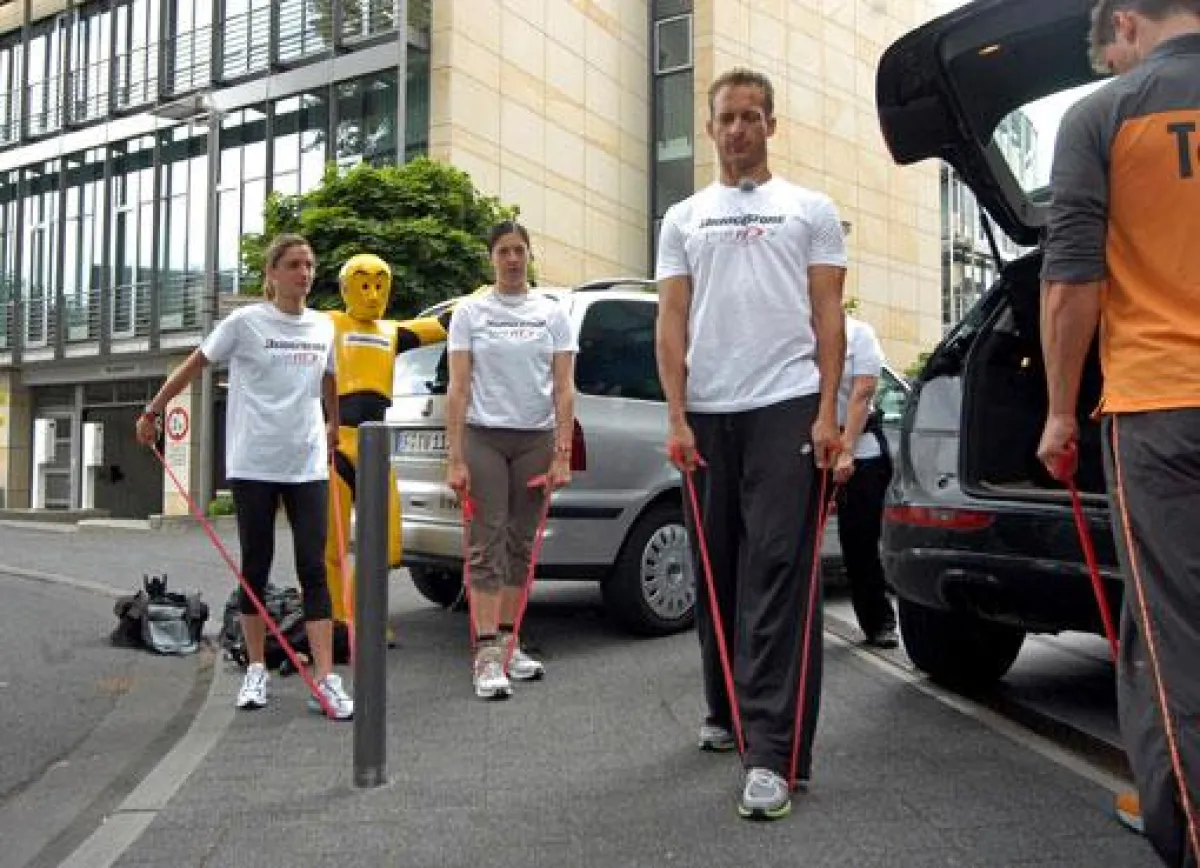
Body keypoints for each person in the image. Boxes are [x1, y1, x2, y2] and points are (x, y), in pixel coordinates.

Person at [655, 67, 847, 820]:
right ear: (709, 128)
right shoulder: (683, 218)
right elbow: (671, 320)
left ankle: (773, 756)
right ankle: (729, 707)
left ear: (771, 124)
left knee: (777, 574)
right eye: (726, 117)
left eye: (751, 116)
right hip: (707, 413)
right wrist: (676, 416)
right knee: (720, 573)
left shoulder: (809, 209)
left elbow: (828, 316)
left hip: (785, 406)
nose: (738, 128)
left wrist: (827, 412)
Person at [1036, 1, 1200, 864]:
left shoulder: (1102, 115)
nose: (1111, 71)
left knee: (1174, 645)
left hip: (1162, 407)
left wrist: (1061, 410)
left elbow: (1071, 281)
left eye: (1109, 56)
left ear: (1126, 23)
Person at [135, 234, 353, 720]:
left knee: (314, 568)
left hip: (306, 464)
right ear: (272, 273)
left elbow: (329, 377)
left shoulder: (323, 326)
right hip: (254, 463)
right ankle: (256, 668)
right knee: (256, 564)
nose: (304, 273)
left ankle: (326, 676)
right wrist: (153, 411)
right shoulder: (245, 323)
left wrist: (333, 423)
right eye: (294, 265)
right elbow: (194, 365)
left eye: (309, 265)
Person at [444, 220, 576, 700]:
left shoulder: (552, 313)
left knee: (521, 544)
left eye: (520, 250)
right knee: (487, 541)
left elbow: (564, 389)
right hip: (484, 437)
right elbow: (458, 389)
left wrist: (562, 454)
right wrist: (455, 457)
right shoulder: (471, 312)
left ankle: (508, 642)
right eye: (504, 251)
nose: (513, 259)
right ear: (492, 258)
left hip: (535, 440)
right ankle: (485, 653)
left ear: (529, 255)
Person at [324, 253, 449, 635]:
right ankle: (335, 622)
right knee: (331, 545)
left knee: (388, 543)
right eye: (364, 284)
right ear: (346, 288)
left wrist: (487, 297)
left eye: (380, 285)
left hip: (376, 449)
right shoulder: (328, 324)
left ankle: (365, 617)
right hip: (338, 445)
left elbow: (444, 324)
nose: (372, 294)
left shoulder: (392, 332)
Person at [832, 314, 898, 650]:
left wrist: (846, 451)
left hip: (860, 450)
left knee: (860, 544)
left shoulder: (859, 334)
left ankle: (879, 622)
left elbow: (864, 391)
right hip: (807, 447)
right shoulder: (796, 331)